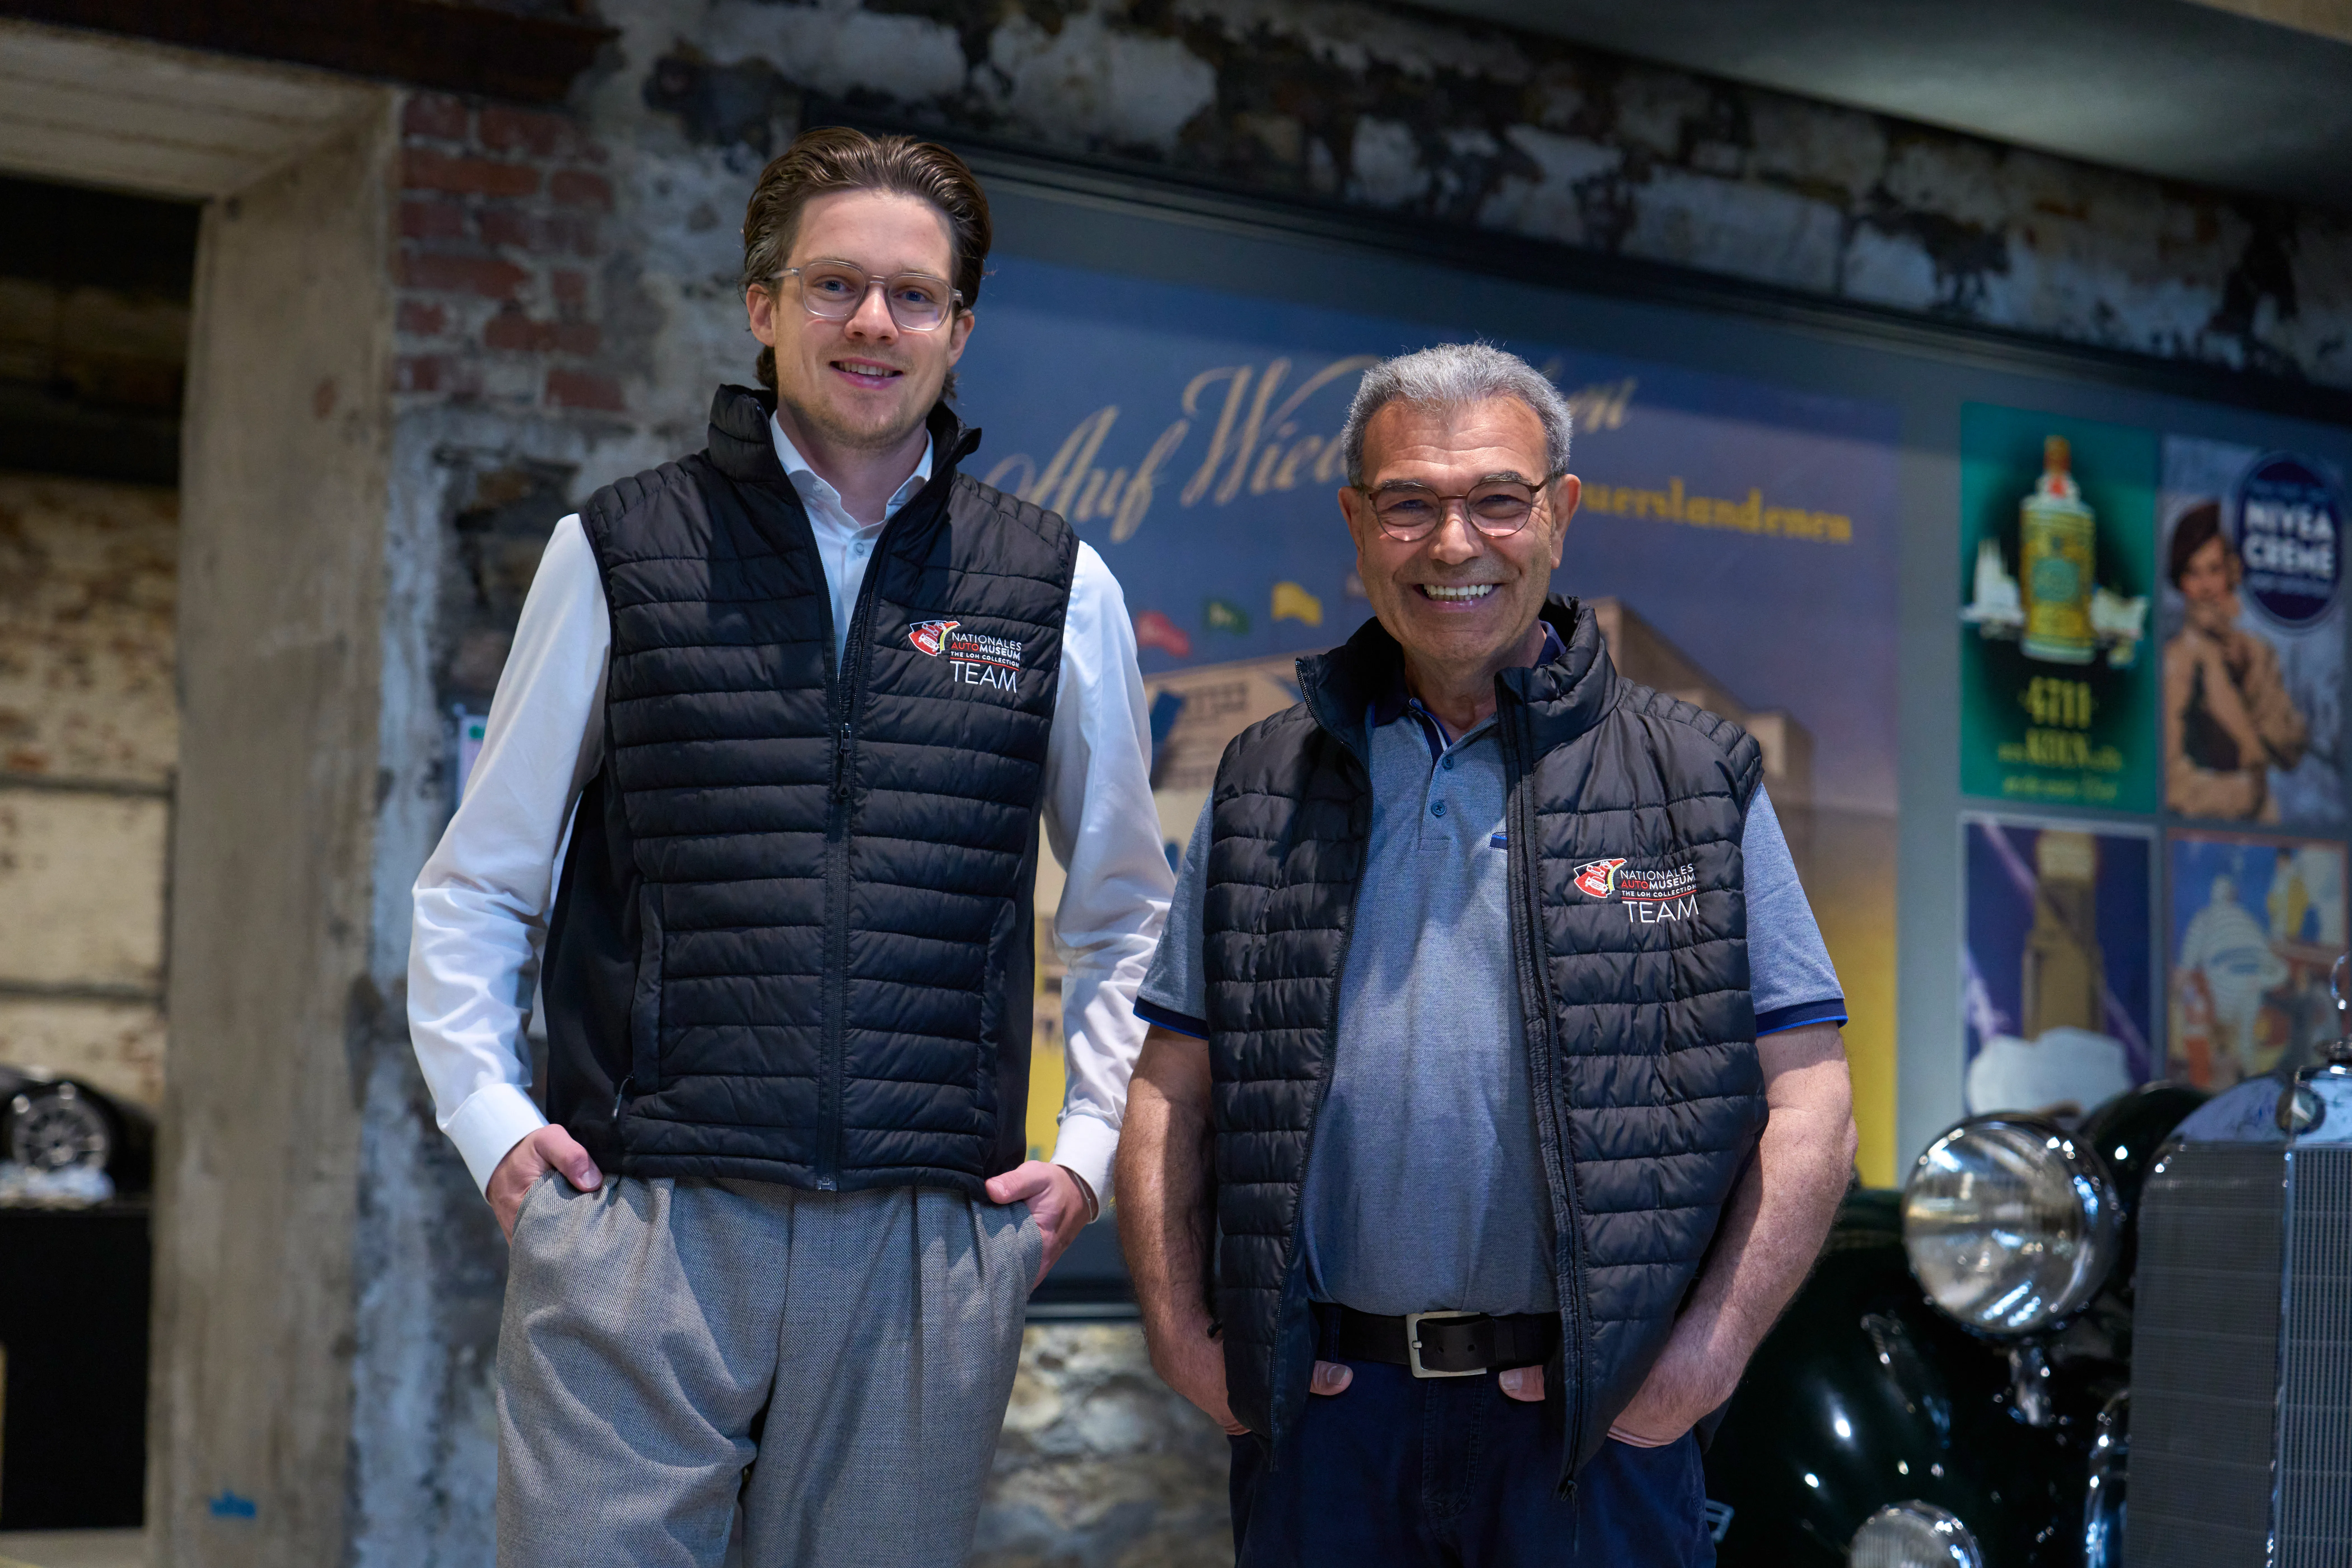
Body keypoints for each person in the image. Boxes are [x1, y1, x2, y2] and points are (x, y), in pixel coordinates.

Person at [406, 128, 1172, 1567]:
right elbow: (480, 878)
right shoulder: (619, 549)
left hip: (924, 1240)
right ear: (764, 307)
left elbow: (1130, 909)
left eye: (914, 295)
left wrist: (1083, 1148)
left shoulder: (1057, 587)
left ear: (959, 329)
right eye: (834, 285)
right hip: (644, 1220)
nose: (873, 321)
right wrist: (491, 1124)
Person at [1115, 342, 1858, 1567]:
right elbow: (1170, 1088)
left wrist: (1709, 1353)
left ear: (1559, 514)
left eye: (1497, 500)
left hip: (1588, 1435)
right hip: (1329, 1431)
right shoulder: (1262, 779)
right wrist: (1180, 1333)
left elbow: (1809, 1096)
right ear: (1357, 524)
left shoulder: (1693, 776)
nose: (1454, 543)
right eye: (1408, 502)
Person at [2163, 499, 2307, 820]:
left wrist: (2250, 675)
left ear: (2231, 573)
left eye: (2214, 570)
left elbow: (2289, 749)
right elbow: (2169, 781)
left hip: (2266, 830)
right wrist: (2243, 793)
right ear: (2182, 583)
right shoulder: (2178, 661)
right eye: (2193, 574)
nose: (2206, 588)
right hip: (2201, 833)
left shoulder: (2256, 653)